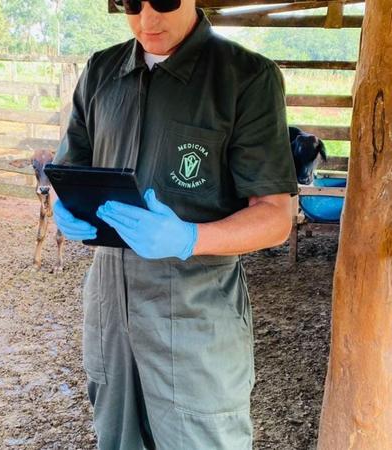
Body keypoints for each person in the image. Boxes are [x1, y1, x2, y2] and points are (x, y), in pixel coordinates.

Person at [52, 0, 298, 448]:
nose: (146, 20)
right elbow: (69, 167)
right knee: (116, 438)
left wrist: (191, 237)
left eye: (163, 1)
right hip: (109, 307)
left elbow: (276, 216)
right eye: (129, 3)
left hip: (195, 313)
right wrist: (62, 204)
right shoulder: (100, 71)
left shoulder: (244, 77)